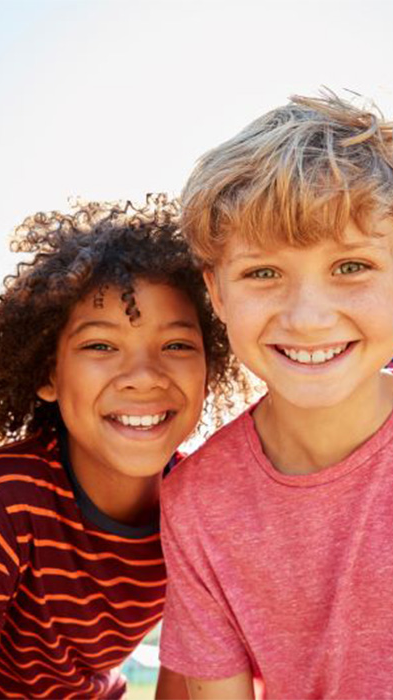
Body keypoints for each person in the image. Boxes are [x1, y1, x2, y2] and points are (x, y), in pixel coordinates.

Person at [0, 196, 246, 699]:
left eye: (176, 346)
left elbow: (190, 678)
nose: (144, 377)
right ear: (48, 374)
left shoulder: (202, 508)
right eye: (101, 346)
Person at [158, 92, 393, 699]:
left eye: (352, 267)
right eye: (263, 273)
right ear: (216, 291)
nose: (309, 318)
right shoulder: (197, 503)